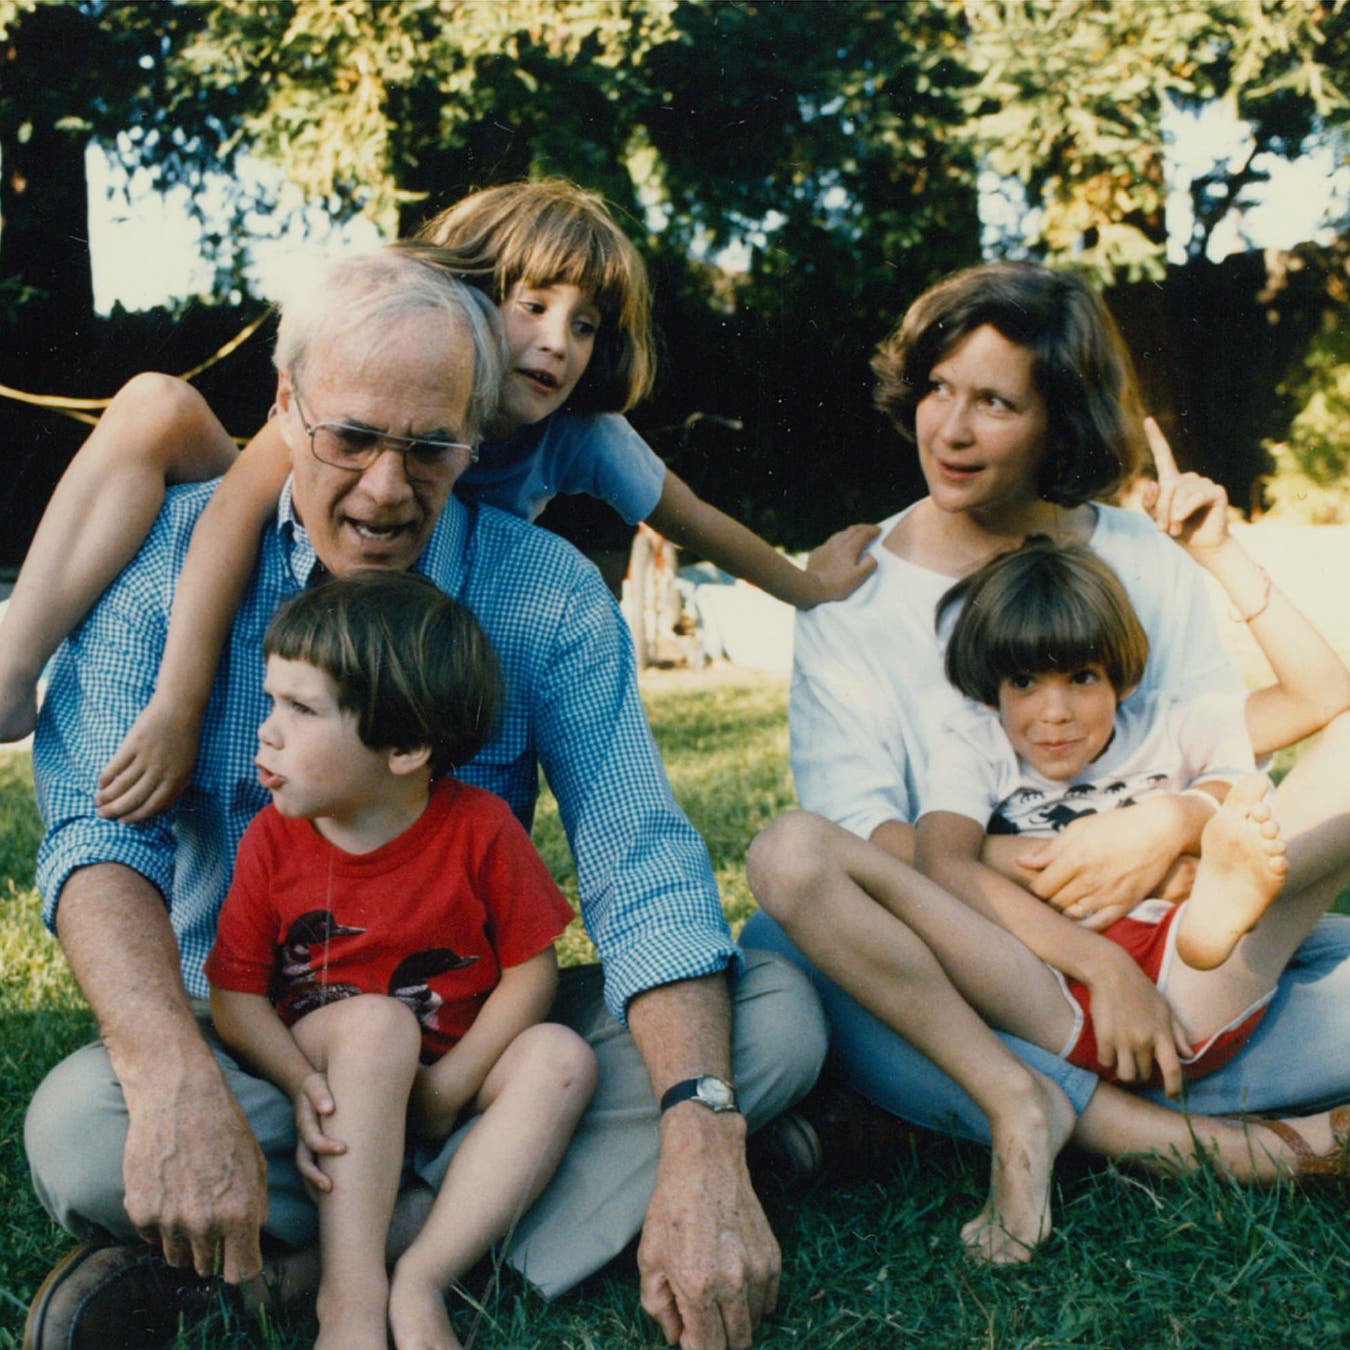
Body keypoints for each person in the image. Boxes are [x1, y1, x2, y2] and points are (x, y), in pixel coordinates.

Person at [23, 243, 826, 1350]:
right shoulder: (166, 556)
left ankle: (329, 1266)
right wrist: (170, 1078)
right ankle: (517, 1204)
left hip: (478, 1049)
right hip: (268, 1056)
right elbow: (99, 842)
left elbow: (639, 859)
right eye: (350, 438)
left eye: (431, 447)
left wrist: (702, 1134)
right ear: (285, 406)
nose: (386, 490)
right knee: (82, 1128)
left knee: (772, 1019)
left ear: (478, 436)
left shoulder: (544, 593)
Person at [746, 261, 1350, 1243]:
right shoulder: (852, 594)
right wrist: (1060, 876)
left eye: (994, 403)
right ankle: (1176, 1136)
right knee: (793, 936)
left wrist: (1169, 824)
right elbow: (873, 848)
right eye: (938, 389)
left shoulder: (1142, 554)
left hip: (1185, 946)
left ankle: (941, 1111)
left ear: (1061, 424)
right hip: (986, 971)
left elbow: (1227, 763)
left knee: (1279, 943)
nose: (949, 430)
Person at [0, 178, 877, 811]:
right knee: (155, 403)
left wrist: (809, 588)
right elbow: (229, 520)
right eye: (533, 305)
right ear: (469, 295)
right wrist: (177, 706)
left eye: (583, 325)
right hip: (295, 533)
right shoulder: (376, 378)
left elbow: (694, 520)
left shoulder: (583, 437)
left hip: (417, 607)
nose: (558, 342)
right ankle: (11, 663)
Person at [207, 571, 595, 1349]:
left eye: (302, 710)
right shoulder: (272, 840)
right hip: (331, 1085)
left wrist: (451, 1088)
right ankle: (349, 1301)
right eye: (272, 701)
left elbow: (531, 969)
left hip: (444, 1085)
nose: (267, 732)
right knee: (379, 1027)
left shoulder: (480, 828)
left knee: (563, 1057)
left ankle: (421, 1277)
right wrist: (303, 1083)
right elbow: (235, 998)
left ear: (406, 747)